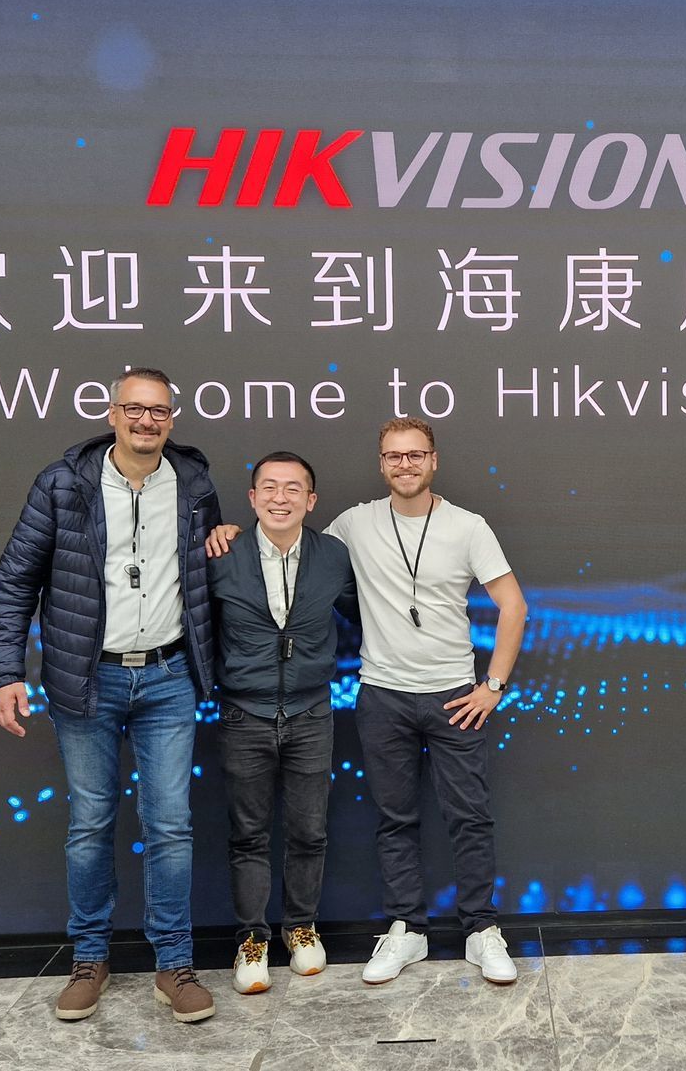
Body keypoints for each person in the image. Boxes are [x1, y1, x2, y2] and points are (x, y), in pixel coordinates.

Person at [0, 367, 222, 1024]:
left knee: (170, 824)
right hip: (86, 679)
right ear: (112, 414)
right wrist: (5, 673)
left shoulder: (194, 484)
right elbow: (15, 581)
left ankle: (174, 964)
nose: (147, 421)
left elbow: (207, 573)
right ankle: (89, 958)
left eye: (159, 411)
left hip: (170, 677)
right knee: (91, 823)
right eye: (135, 409)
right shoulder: (63, 484)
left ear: (171, 418)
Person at [329, 417, 528, 985]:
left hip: (454, 696)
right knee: (395, 819)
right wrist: (233, 533)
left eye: (416, 455)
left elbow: (514, 607)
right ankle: (406, 929)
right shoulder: (355, 523)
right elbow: (294, 545)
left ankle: (481, 929)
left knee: (470, 817)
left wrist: (493, 687)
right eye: (394, 456)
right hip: (382, 695)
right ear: (381, 463)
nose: (405, 465)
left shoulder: (468, 526)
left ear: (434, 460)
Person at [206, 452, 359, 996]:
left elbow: (364, 615)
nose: (280, 498)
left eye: (293, 489)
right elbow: (197, 627)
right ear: (252, 498)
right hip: (242, 714)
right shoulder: (221, 554)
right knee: (248, 834)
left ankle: (300, 927)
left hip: (312, 712)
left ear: (310, 501)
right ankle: (252, 939)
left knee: (309, 832)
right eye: (268, 487)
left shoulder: (333, 556)